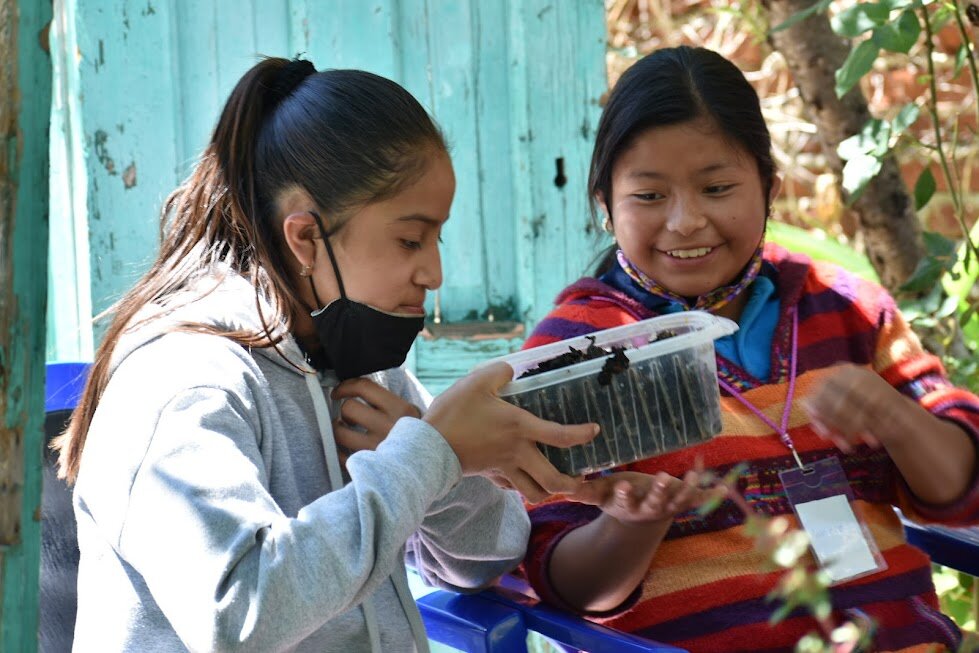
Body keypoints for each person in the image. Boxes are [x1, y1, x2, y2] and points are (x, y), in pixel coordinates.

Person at [53, 57, 599, 653]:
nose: (434, 272)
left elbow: (486, 559)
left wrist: (434, 464)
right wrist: (428, 455)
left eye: (437, 237)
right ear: (306, 238)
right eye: (410, 239)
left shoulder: (351, 353)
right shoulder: (183, 379)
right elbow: (238, 616)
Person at [520, 46, 979, 652]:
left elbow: (960, 488)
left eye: (716, 187)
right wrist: (636, 523)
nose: (685, 222)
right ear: (605, 205)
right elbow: (566, 584)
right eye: (650, 196)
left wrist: (897, 418)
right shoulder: (577, 350)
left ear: (769, 186)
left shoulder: (846, 309)